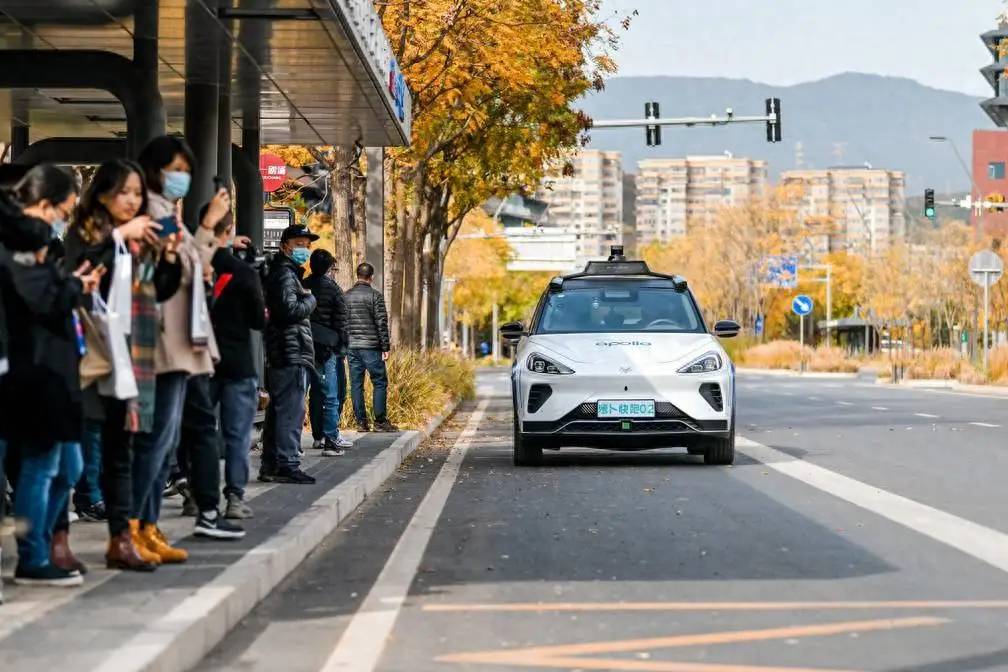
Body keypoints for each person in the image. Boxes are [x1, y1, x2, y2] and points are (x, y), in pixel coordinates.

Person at [67, 158, 178, 572]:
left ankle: (122, 537)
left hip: (134, 350)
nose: (131, 201)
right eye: (123, 193)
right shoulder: (87, 233)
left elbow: (160, 291)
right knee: (86, 446)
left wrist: (167, 257)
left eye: (137, 194)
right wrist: (118, 236)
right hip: (95, 351)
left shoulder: (138, 237)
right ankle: (74, 533)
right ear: (102, 194)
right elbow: (77, 271)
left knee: (123, 447)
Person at [0, 164, 102, 586]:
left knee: (65, 468)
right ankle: (33, 555)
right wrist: (75, 288)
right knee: (41, 466)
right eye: (64, 207)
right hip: (32, 369)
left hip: (53, 372)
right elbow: (40, 299)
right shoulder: (20, 244)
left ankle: (40, 547)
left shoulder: (34, 242)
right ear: (44, 204)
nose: (66, 217)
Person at [200, 203, 264, 520]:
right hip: (237, 362)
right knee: (237, 435)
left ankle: (195, 494)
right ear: (229, 230)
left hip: (200, 361)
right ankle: (235, 497)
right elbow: (257, 320)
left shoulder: (194, 265)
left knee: (200, 430)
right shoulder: (244, 272)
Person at [260, 224, 318, 484]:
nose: (304, 249)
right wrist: (310, 300)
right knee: (291, 411)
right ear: (284, 246)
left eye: (307, 245)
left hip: (283, 350)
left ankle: (272, 464)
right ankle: (287, 463)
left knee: (278, 411)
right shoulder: (285, 273)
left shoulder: (284, 272)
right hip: (289, 350)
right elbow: (288, 310)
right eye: (298, 244)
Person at [303, 249, 352, 456]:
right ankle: (331, 439)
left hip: (304, 344)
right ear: (329, 267)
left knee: (308, 393)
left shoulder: (303, 284)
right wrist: (342, 345)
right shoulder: (333, 289)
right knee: (330, 395)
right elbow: (342, 320)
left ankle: (315, 437)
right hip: (327, 348)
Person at [345, 262, 397, 433]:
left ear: (357, 275)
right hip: (371, 347)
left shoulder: (346, 296)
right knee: (379, 382)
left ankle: (361, 422)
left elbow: (342, 324)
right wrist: (385, 347)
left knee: (356, 384)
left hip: (352, 347)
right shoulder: (376, 296)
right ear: (371, 277)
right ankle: (380, 421)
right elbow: (381, 323)